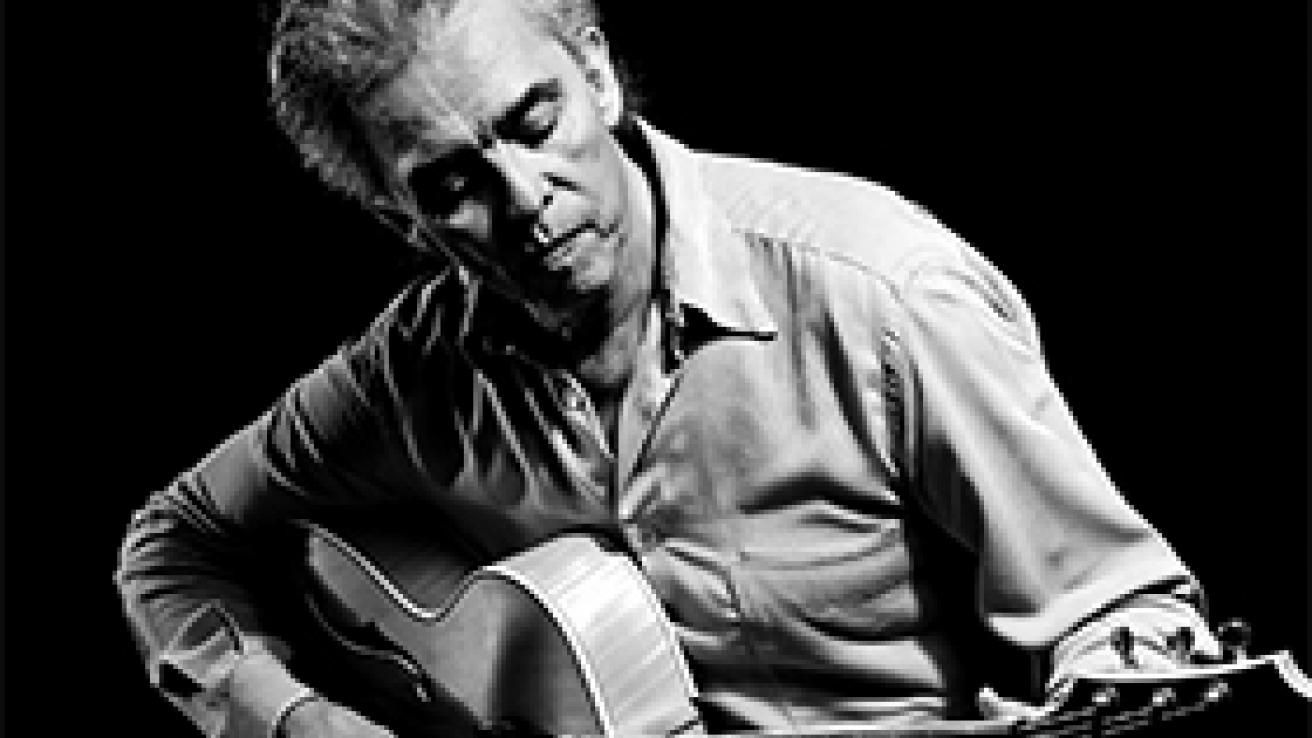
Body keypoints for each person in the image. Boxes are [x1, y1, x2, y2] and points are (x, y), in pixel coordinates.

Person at [114, 0, 1225, 735]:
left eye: (535, 121)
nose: (523, 196)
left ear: (597, 74)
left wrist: (1122, 668)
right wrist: (297, 720)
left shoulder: (883, 297)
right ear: (396, 217)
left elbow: (1120, 609)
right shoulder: (407, 378)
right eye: (451, 183)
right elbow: (174, 539)